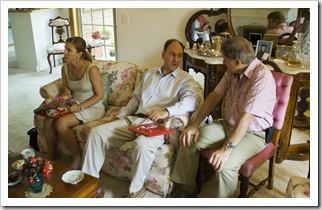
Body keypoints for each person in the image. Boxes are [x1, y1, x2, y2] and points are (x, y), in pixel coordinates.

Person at [81, 39, 201, 198]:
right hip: (133, 119)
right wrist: (121, 116)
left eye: (180, 56)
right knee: (96, 133)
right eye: (172, 55)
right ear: (163, 54)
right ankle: (89, 184)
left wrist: (166, 111)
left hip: (156, 126)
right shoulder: (149, 74)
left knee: (142, 145)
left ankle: (135, 191)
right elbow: (135, 99)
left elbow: (192, 101)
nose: (176, 60)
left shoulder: (184, 79)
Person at [170, 36, 276, 198]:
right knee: (188, 139)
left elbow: (247, 117)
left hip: (254, 134)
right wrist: (194, 125)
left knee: (226, 165)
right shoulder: (232, 70)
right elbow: (214, 96)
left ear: (238, 61)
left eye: (225, 59)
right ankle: (186, 191)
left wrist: (227, 149)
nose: (223, 62)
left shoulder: (262, 78)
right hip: (228, 125)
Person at [43, 36, 105, 170]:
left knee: (61, 123)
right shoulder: (65, 68)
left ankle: (77, 158)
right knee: (48, 120)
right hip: (74, 104)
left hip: (92, 106)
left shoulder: (91, 69)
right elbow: (67, 92)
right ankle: (51, 155)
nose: (64, 52)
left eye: (68, 50)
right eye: (65, 48)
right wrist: (60, 103)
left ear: (79, 54)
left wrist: (80, 107)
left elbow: (100, 95)